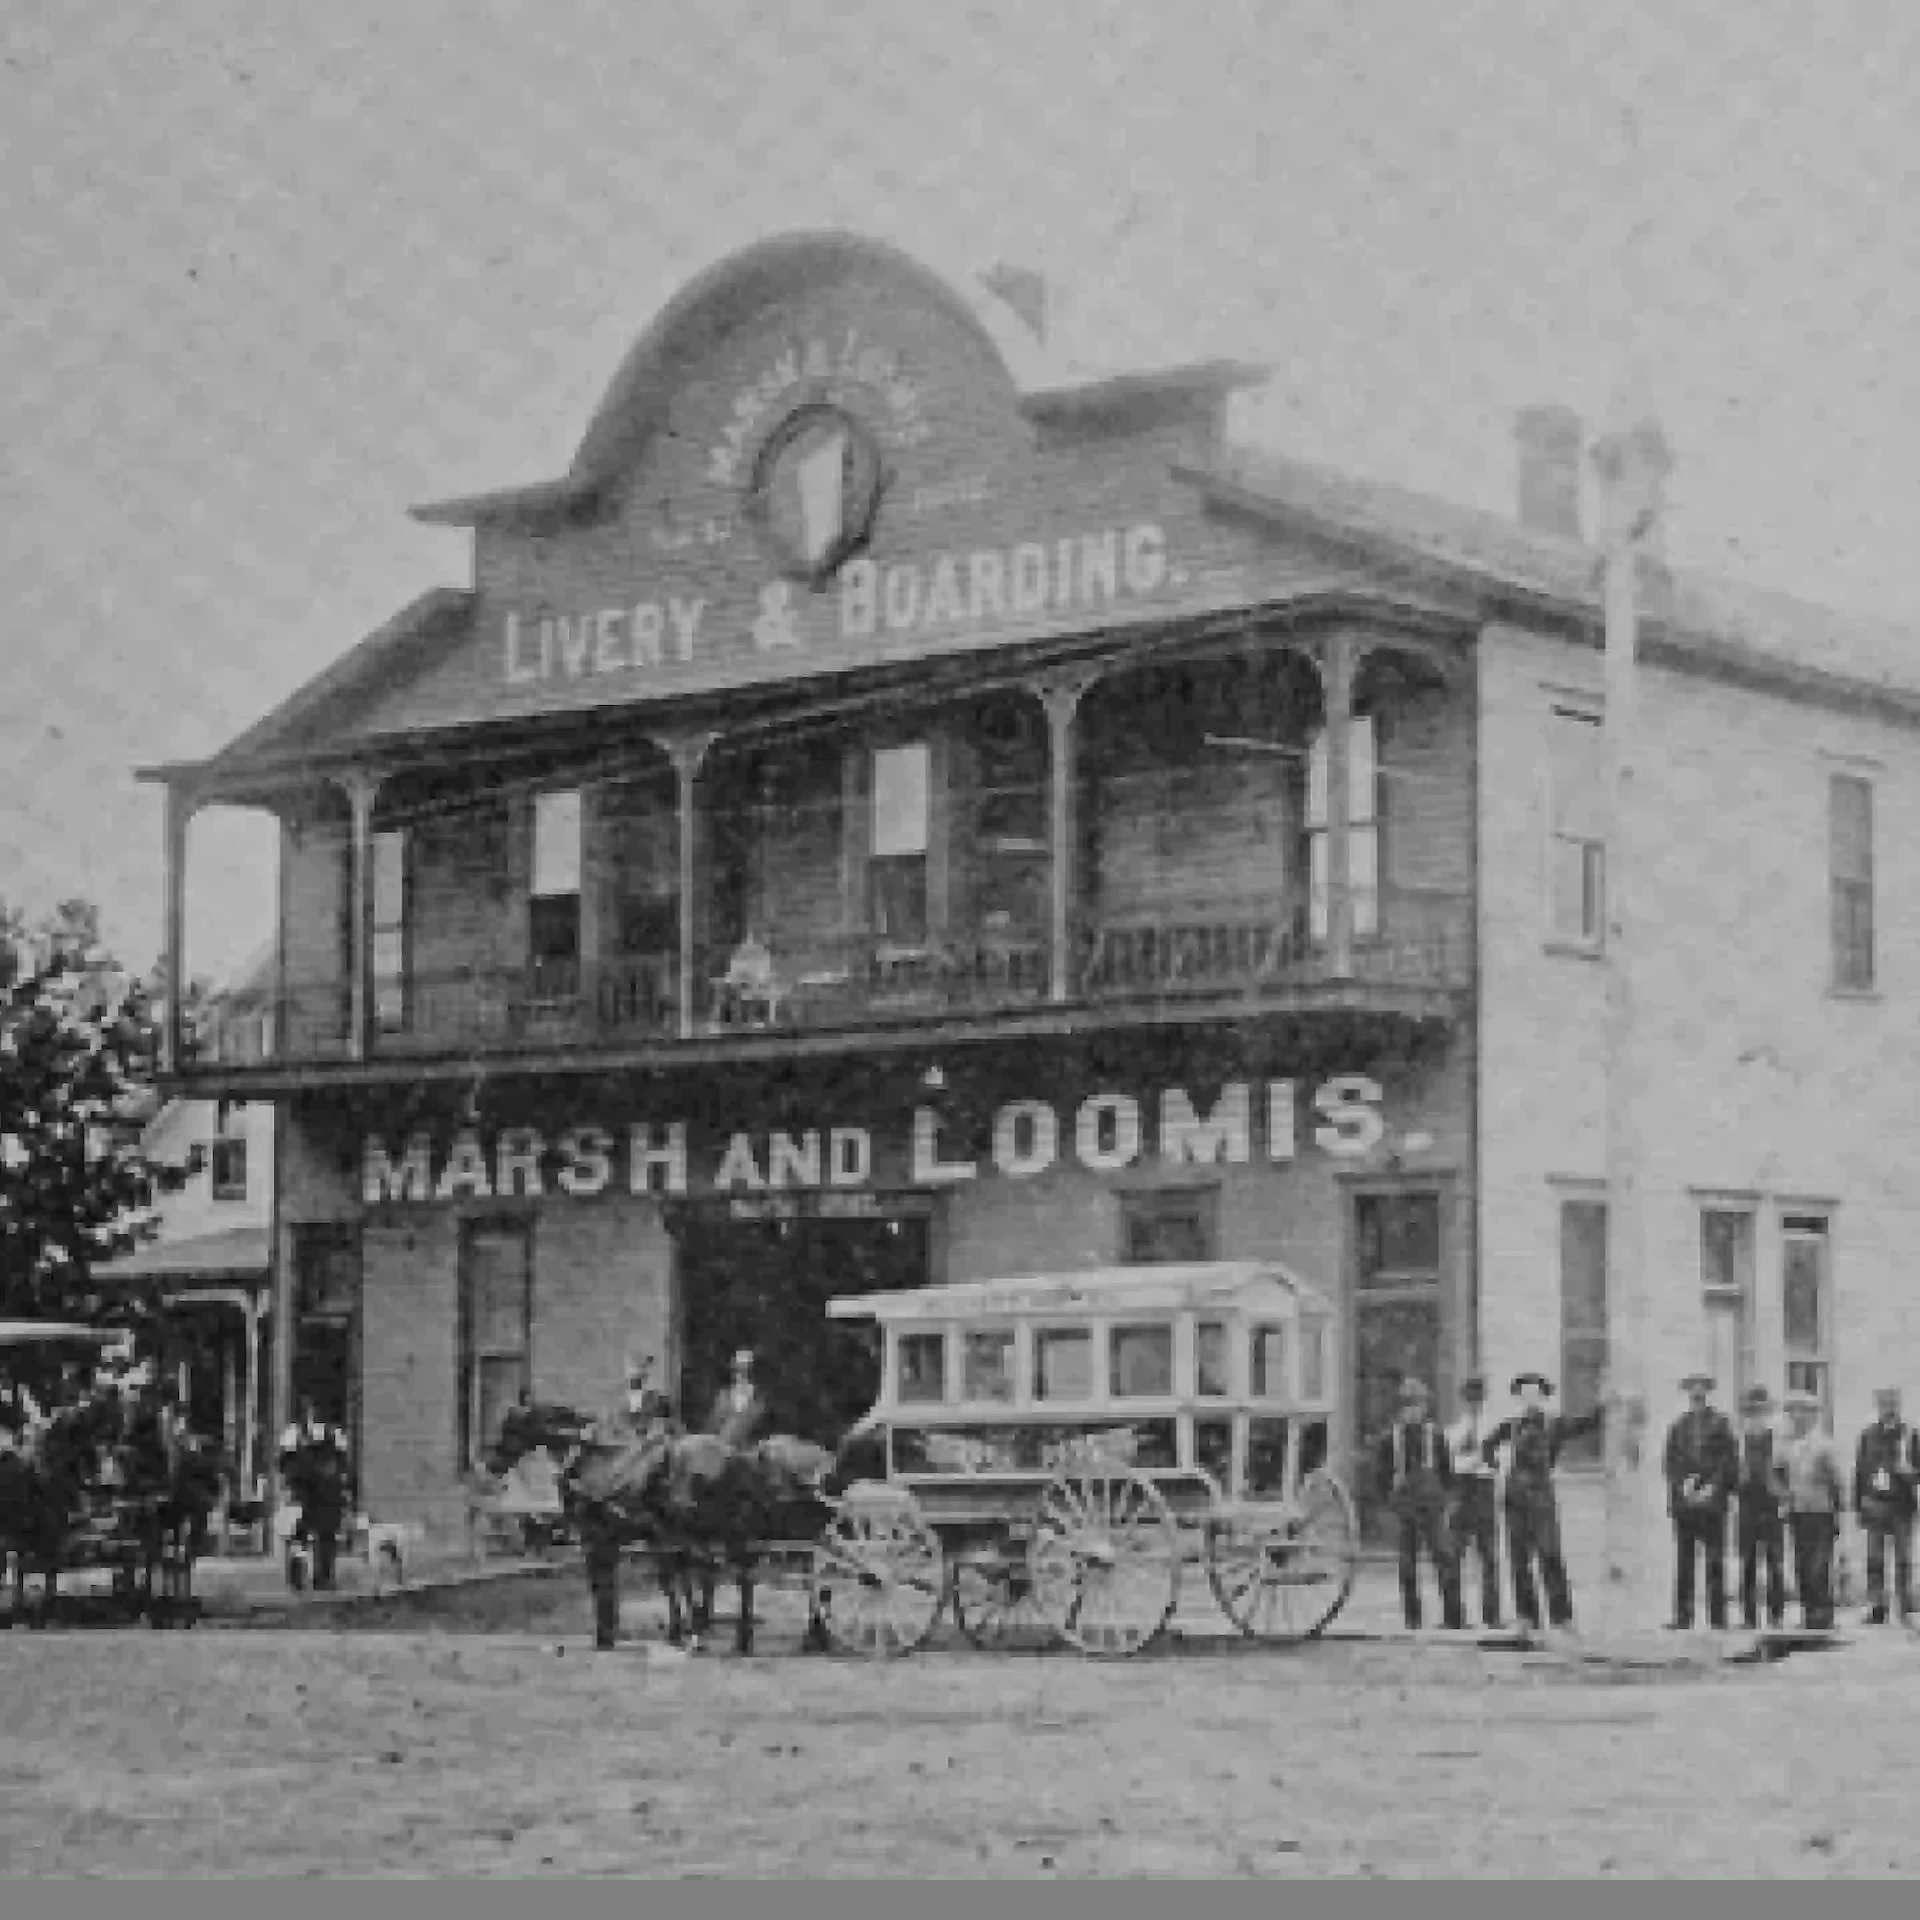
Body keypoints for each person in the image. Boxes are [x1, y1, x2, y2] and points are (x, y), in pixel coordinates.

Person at [1480, 1371, 1605, 1639]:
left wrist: (1604, 1403)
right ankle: (1527, 1618)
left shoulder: (1554, 1424)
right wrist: (1496, 1466)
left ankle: (1562, 1618)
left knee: (1550, 1556)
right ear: (1519, 1398)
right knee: (1519, 1560)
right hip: (1514, 1499)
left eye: (1534, 1394)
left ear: (1543, 1397)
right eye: (1524, 1394)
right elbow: (1487, 1446)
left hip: (1541, 1498)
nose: (1529, 1399)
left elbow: (1585, 1425)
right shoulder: (1510, 1426)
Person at [1374, 1377, 1464, 1631]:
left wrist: (1452, 1501)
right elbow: (1380, 1478)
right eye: (1409, 1406)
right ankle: (1413, 1621)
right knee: (1407, 1565)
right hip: (1404, 1507)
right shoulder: (1388, 1439)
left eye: (1419, 1406)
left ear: (1425, 1408)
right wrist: (1385, 1509)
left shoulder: (1435, 1436)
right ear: (1400, 1409)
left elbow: (1448, 1473)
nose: (1414, 1411)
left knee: (1445, 1560)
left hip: (1433, 1506)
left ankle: (1453, 1619)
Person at [1663, 1372, 1738, 1630]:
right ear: (1688, 1395)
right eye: (1692, 1391)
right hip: (1685, 1506)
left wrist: (1713, 1488)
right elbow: (1670, 1463)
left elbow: (1728, 1462)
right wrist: (1682, 1486)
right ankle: (1683, 1617)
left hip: (1712, 1505)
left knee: (1715, 1561)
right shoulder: (1678, 1427)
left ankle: (1717, 1618)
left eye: (1701, 1391)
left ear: (1707, 1394)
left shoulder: (1721, 1424)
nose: (1697, 1395)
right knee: (1684, 1561)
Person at [1779, 1389, 1847, 1631]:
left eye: (1802, 1412)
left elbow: (1838, 1481)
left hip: (1821, 1513)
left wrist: (1838, 1513)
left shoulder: (1824, 1445)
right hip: (1798, 1512)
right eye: (1792, 1412)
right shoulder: (1786, 1445)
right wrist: (1784, 1496)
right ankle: (1809, 1614)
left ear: (1813, 1416)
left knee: (1819, 1566)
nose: (1796, 1417)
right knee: (1802, 1565)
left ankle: (1822, 1616)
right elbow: (1778, 1473)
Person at [1852, 1386, 1918, 1627]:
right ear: (1878, 1406)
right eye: (1884, 1404)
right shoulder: (1868, 1435)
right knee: (1875, 1559)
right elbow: (1859, 1472)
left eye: (1893, 1404)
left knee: (1903, 1559)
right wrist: (1858, 1506)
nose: (1889, 1408)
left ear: (1899, 1406)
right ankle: (1877, 1607)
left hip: (1901, 1505)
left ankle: (1904, 1608)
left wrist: (1909, 1472)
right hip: (1875, 1505)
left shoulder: (1911, 1435)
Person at [1444, 1374, 1502, 1630]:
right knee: (1454, 1554)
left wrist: (1474, 1460)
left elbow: (1496, 1463)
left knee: (1489, 1557)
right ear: (1464, 1401)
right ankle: (1454, 1617)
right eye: (1470, 1399)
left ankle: (1492, 1616)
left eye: (1477, 1399)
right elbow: (1450, 1462)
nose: (1474, 1404)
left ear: (1484, 1399)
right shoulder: (1456, 1430)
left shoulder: (1494, 1429)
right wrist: (1473, 1460)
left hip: (1484, 1492)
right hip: (1462, 1492)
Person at [278, 1400, 350, 1593]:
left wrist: (340, 1487)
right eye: (312, 1411)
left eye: (319, 1411)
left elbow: (342, 1464)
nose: (315, 1414)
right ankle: (297, 1577)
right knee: (298, 1536)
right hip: (302, 1492)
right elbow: (284, 1464)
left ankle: (323, 1577)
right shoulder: (294, 1433)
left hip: (327, 1493)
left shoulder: (335, 1435)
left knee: (326, 1536)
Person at [1734, 1385, 1787, 1632]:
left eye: (1761, 1411)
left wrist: (1783, 1496)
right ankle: (1749, 1617)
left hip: (1772, 1507)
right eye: (1751, 1412)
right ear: (1746, 1414)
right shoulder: (1739, 1442)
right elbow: (1730, 1476)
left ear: (1768, 1412)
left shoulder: (1778, 1440)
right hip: (1747, 1507)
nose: (1756, 1416)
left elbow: (1788, 1473)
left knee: (1775, 1563)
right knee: (1748, 1564)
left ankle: (1776, 1615)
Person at [707, 1348, 764, 1450]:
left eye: (745, 1370)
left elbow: (757, 1425)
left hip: (749, 1449)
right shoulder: (724, 1395)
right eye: (738, 1369)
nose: (740, 1373)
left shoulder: (757, 1397)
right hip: (722, 1448)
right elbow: (714, 1423)